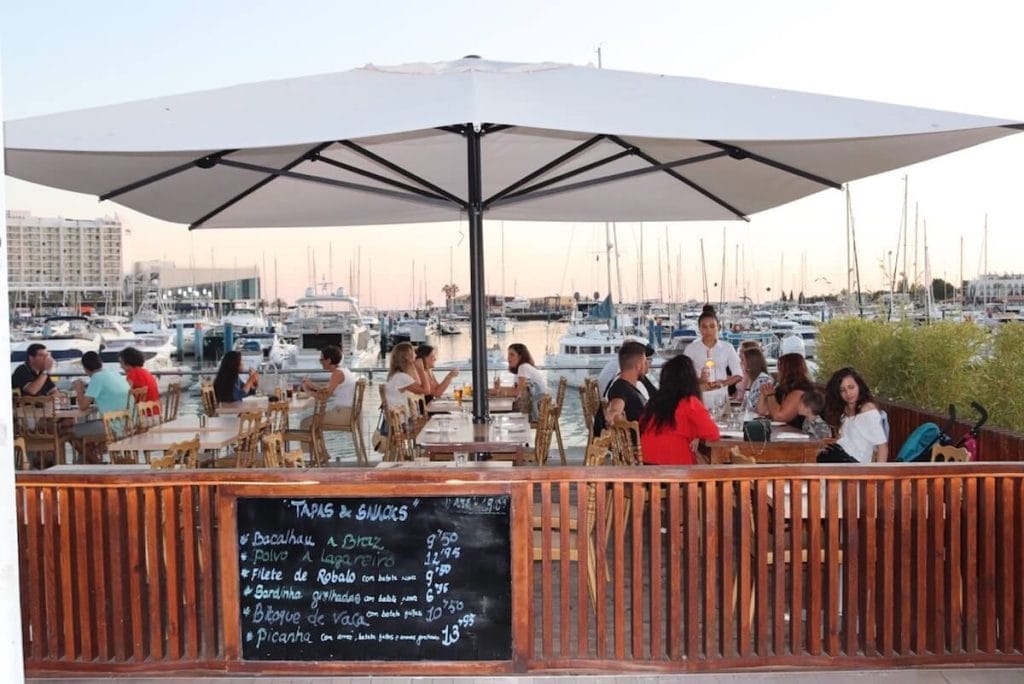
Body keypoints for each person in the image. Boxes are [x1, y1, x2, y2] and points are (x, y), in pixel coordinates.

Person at [640, 355, 720, 465]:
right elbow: (713, 434)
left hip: (647, 469)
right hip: (676, 472)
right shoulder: (690, 402)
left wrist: (695, 434)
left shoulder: (653, 402)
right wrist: (696, 434)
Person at [819, 367, 888, 463]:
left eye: (851, 387)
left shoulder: (867, 409)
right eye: (842, 390)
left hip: (858, 466)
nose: (848, 393)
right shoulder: (843, 410)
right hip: (842, 461)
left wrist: (878, 476)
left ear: (859, 386)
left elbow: (882, 446)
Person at [71, 351, 131, 461]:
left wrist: (78, 388)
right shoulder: (113, 373)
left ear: (85, 368)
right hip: (127, 422)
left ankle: (94, 462)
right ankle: (89, 461)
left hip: (112, 425)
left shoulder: (97, 378)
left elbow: (83, 406)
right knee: (86, 435)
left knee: (69, 432)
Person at [683, 305, 742, 410]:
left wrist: (722, 383)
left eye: (712, 326)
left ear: (718, 327)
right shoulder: (691, 349)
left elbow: (738, 375)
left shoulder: (727, 347)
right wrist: (700, 380)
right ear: (699, 328)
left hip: (721, 397)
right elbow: (683, 378)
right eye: (704, 327)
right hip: (697, 397)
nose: (708, 330)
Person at [593, 342, 648, 436]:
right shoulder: (620, 389)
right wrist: (613, 414)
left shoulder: (625, 386)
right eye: (645, 362)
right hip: (643, 445)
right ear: (638, 366)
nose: (647, 366)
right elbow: (616, 406)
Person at [301, 344, 356, 429]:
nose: (320, 362)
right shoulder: (344, 370)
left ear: (328, 360)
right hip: (349, 413)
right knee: (310, 418)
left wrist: (307, 391)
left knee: (305, 423)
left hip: (344, 415)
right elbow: (326, 390)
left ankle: (314, 442)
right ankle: (317, 442)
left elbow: (324, 396)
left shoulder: (337, 373)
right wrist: (311, 386)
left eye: (321, 360)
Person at [756, 352, 815, 429]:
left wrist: (770, 396)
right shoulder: (782, 388)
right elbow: (762, 412)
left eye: (780, 368)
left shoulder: (800, 391)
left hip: (798, 434)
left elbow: (780, 417)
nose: (778, 372)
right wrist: (764, 394)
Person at [492, 343, 548, 421]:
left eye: (512, 355)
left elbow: (517, 392)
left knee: (495, 412)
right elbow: (515, 389)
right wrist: (498, 388)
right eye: (508, 355)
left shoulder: (523, 367)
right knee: (498, 411)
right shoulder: (521, 369)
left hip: (538, 409)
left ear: (520, 357)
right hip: (537, 406)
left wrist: (497, 391)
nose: (508, 358)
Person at [384, 341, 429, 411]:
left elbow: (419, 385)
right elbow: (426, 391)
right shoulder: (401, 377)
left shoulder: (395, 375)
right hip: (402, 420)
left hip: (399, 418)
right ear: (407, 357)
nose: (416, 355)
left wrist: (414, 368)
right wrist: (421, 370)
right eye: (413, 353)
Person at [118, 346, 160, 411]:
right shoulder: (146, 372)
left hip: (143, 414)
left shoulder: (132, 374)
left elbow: (124, 393)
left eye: (121, 362)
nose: (120, 366)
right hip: (155, 410)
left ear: (127, 362)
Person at [739, 347, 773, 415]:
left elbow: (757, 409)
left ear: (750, 362)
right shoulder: (753, 379)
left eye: (743, 360)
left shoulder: (762, 380)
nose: (740, 362)